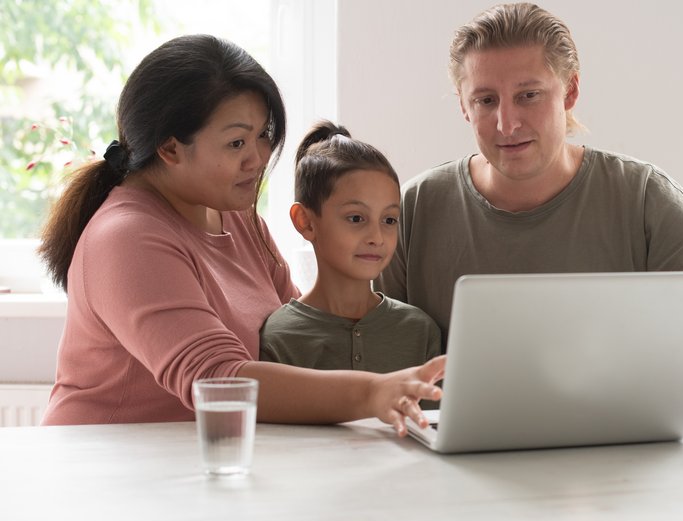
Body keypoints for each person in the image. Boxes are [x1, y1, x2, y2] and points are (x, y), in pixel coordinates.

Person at [377, 3, 683, 436]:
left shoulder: (642, 198)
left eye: (529, 95)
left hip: (621, 461)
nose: (507, 123)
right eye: (486, 100)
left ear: (569, 92)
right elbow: (356, 348)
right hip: (451, 471)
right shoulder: (413, 208)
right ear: (464, 108)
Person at [38, 34, 442, 436]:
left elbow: (295, 331)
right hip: (103, 474)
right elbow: (216, 381)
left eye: (262, 135)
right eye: (236, 142)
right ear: (170, 148)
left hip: (195, 468)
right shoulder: (126, 237)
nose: (260, 157)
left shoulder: (239, 221)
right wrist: (374, 392)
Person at [259, 121, 441, 405]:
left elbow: (433, 431)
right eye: (356, 218)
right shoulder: (280, 336)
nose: (377, 237)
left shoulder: (420, 331)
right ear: (305, 222)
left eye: (389, 220)